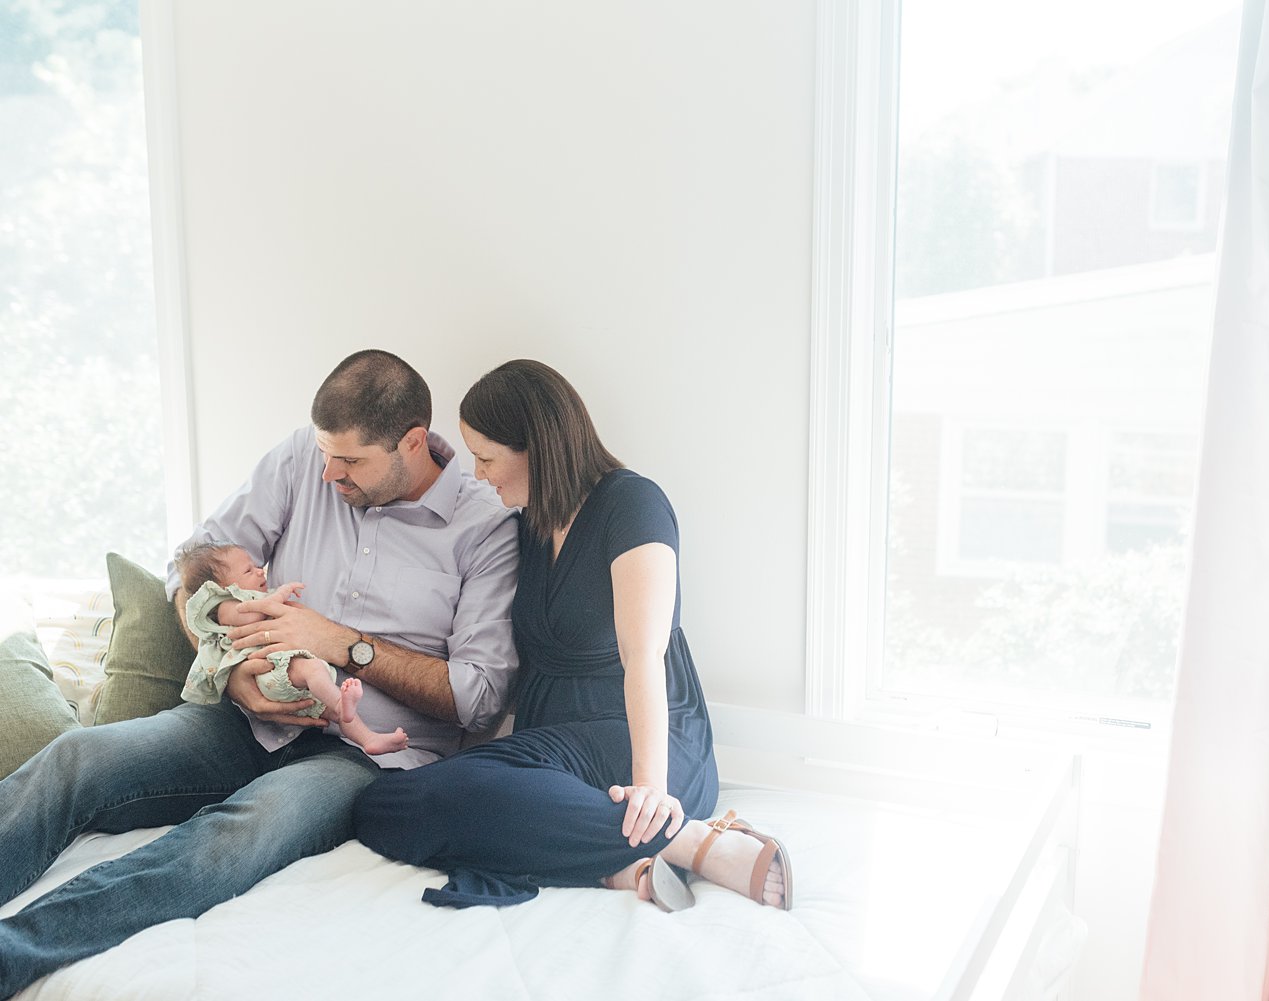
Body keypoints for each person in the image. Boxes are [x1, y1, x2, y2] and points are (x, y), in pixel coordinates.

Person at [0, 350, 520, 995]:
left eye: (351, 461)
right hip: (241, 717)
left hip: (363, 757)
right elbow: (190, 570)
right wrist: (229, 665)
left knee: (238, 835)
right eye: (326, 453)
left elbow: (479, 698)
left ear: (412, 442)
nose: (329, 473)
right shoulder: (304, 458)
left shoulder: (485, 527)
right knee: (75, 757)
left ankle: (12, 952)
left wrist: (341, 644)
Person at [353, 359, 792, 913]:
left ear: (536, 447)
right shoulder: (528, 526)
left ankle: (690, 840)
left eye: (486, 458)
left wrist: (650, 789)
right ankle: (627, 863)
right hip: (557, 755)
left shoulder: (633, 505)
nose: (480, 475)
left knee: (439, 799)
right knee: (383, 806)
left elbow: (645, 657)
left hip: (641, 740)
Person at [176, 541, 408, 755]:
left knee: (333, 712)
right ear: (219, 588)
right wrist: (279, 594)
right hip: (266, 672)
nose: (260, 571)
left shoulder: (251, 596)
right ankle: (340, 702)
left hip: (279, 675)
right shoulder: (225, 606)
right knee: (312, 669)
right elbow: (252, 614)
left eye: (256, 566)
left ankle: (368, 738)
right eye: (248, 571)